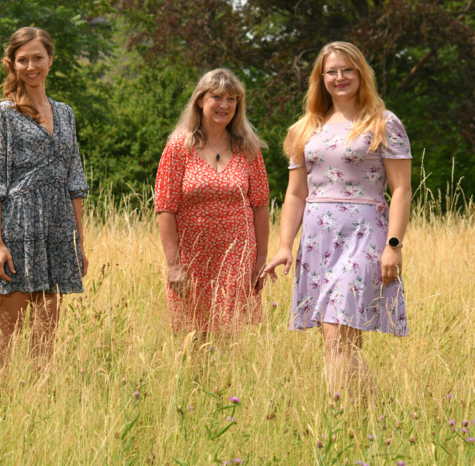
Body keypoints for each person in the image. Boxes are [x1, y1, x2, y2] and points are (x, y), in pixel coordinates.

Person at [262, 41, 412, 395]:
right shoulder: (304, 129)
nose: (340, 77)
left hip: (364, 237)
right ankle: (361, 416)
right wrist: (284, 246)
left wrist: (393, 246)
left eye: (347, 70)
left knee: (338, 331)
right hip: (317, 242)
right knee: (335, 337)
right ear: (321, 78)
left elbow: (402, 189)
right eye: (331, 71)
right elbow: (296, 193)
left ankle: (347, 413)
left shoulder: (383, 123)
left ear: (361, 74)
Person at [0, 27, 89, 364]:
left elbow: (74, 181)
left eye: (38, 57)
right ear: (12, 64)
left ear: (50, 60)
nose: (31, 66)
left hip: (58, 229)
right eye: (23, 60)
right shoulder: (3, 114)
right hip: (18, 228)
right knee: (8, 326)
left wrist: (79, 242)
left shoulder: (65, 113)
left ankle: (39, 394)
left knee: (46, 329)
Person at [154, 69, 270, 336]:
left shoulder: (248, 148)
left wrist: (260, 261)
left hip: (237, 257)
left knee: (232, 335)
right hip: (192, 259)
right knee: (193, 336)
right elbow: (165, 208)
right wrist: (174, 265)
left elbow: (261, 206)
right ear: (200, 100)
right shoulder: (179, 146)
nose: (224, 105)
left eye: (231, 99)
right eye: (217, 97)